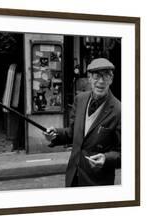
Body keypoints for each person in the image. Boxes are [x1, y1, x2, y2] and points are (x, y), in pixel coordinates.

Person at [44, 58, 121, 187]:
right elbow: (72, 132)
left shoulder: (119, 110)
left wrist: (106, 159)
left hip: (97, 183)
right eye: (97, 76)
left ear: (111, 80)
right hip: (73, 177)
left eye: (106, 76)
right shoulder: (80, 100)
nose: (101, 82)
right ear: (89, 78)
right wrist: (55, 134)